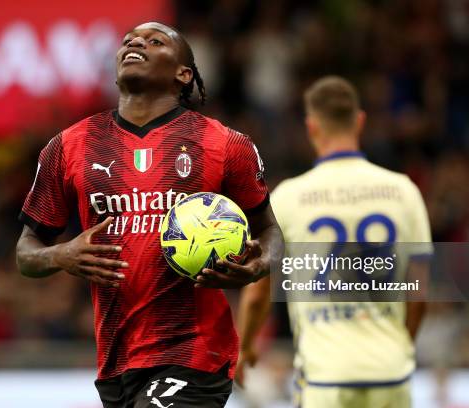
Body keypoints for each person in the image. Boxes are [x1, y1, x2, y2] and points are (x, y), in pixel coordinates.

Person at [15, 21, 283, 408]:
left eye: (154, 41)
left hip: (195, 351)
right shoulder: (69, 146)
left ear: (183, 73)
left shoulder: (225, 145)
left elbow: (271, 234)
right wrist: (60, 254)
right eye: (129, 41)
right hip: (116, 360)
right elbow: (26, 251)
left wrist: (258, 266)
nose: (136, 43)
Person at [236, 76, 432, 407]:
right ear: (360, 121)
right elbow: (420, 291)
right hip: (391, 373)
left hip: (325, 378)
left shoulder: (289, 197)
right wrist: (400, 345)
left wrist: (245, 346)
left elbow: (257, 293)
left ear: (312, 127)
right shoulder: (404, 191)